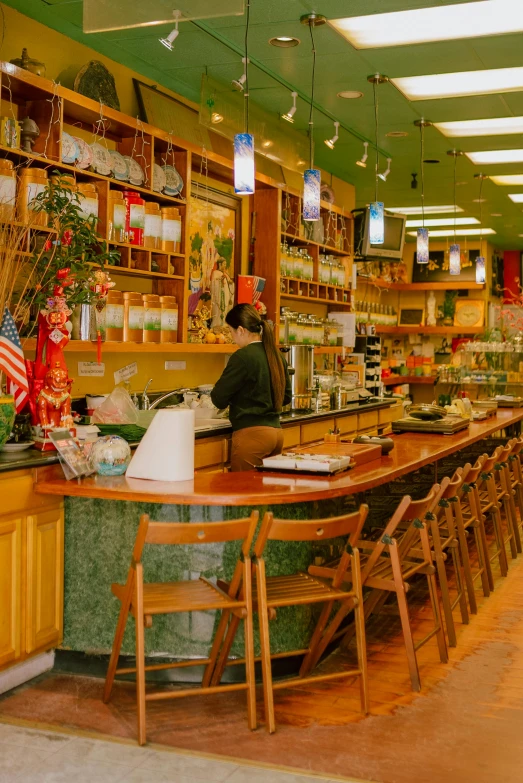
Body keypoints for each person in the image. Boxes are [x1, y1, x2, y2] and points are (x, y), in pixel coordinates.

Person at [211, 303, 292, 472]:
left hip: (252, 436)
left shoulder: (242, 357)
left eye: (231, 332)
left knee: (244, 492)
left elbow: (218, 398)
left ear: (241, 330)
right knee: (267, 491)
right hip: (276, 434)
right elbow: (286, 397)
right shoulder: (276, 355)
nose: (232, 337)